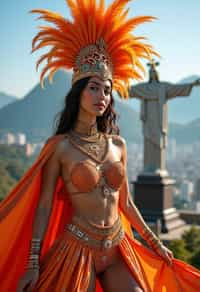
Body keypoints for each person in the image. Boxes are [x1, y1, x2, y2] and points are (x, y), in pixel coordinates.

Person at [0, 0, 200, 291]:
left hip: (118, 247)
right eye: (93, 87)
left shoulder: (117, 144)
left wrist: (155, 244)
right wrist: (32, 263)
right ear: (78, 93)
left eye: (107, 90)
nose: (102, 96)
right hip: (77, 249)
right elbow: (43, 206)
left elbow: (126, 203)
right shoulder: (60, 147)